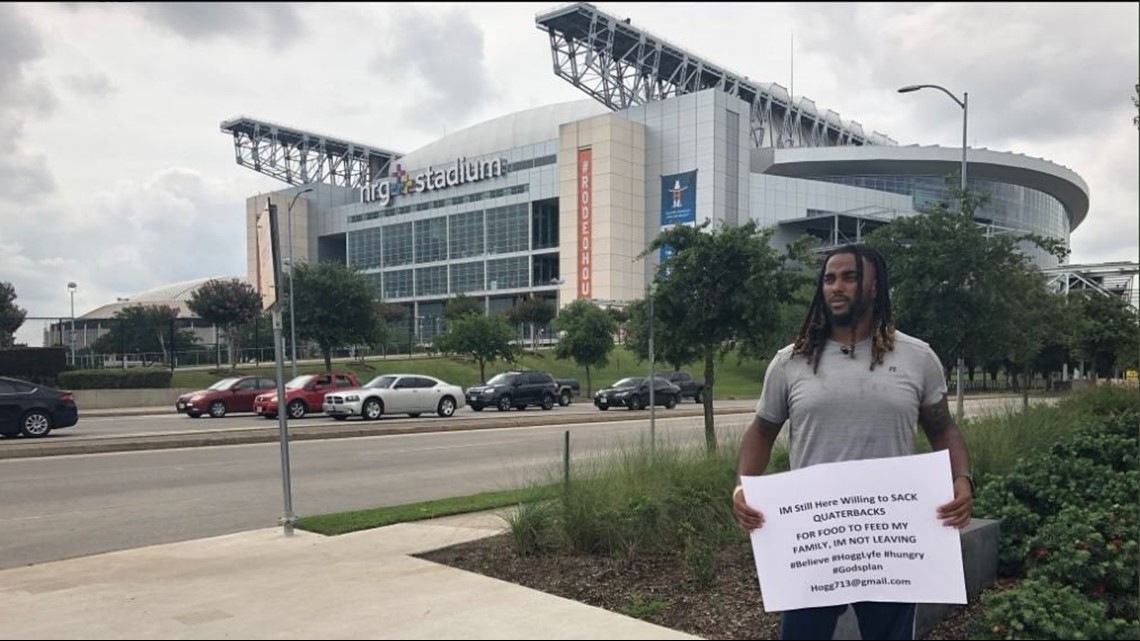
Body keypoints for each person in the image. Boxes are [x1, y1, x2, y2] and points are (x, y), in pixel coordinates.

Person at [732, 243, 973, 641]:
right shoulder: (792, 361)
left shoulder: (917, 357)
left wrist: (962, 478)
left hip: (890, 540)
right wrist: (743, 485)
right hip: (814, 539)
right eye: (829, 278)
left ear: (875, 286)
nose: (836, 287)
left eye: (849, 276)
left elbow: (943, 428)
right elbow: (761, 431)